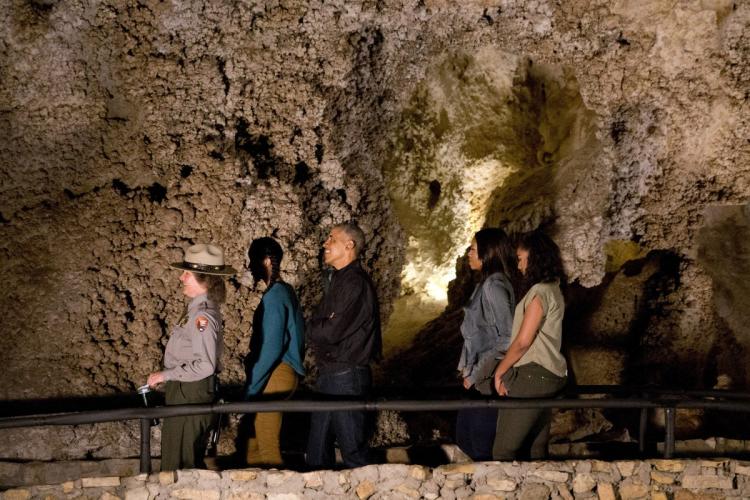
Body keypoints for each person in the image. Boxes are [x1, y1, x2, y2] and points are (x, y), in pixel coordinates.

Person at [147, 243, 236, 471]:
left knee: (178, 466)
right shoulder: (196, 311)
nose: (181, 278)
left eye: (187, 273)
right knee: (180, 460)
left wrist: (165, 375)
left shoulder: (202, 315)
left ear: (203, 279)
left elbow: (205, 365)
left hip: (190, 392)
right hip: (185, 390)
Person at [306, 221, 382, 469]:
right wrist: (320, 325)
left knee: (353, 452)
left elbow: (331, 331)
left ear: (349, 245)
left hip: (346, 375)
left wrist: (313, 327)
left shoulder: (353, 283)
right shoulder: (340, 281)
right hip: (332, 373)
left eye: (331, 239)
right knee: (317, 449)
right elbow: (323, 324)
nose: (325, 244)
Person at [492, 231, 568, 460]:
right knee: (536, 448)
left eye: (521, 258)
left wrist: (500, 371)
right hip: (551, 375)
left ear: (535, 258)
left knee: (504, 450)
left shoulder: (540, 292)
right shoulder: (555, 288)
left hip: (533, 376)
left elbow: (524, 341)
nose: (518, 264)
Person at [243, 237, 305, 466]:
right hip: (284, 372)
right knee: (253, 444)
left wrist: (253, 385)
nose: (251, 266)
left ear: (267, 261)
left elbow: (271, 346)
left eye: (253, 260)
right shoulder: (286, 291)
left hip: (276, 374)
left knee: (267, 444)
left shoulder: (275, 295)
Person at [455, 228, 516, 461]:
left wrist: (476, 373)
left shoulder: (494, 286)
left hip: (486, 379)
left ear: (487, 252)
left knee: (480, 444)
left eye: (473, 248)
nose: (468, 253)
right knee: (466, 438)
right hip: (477, 377)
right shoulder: (487, 284)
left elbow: (507, 337)